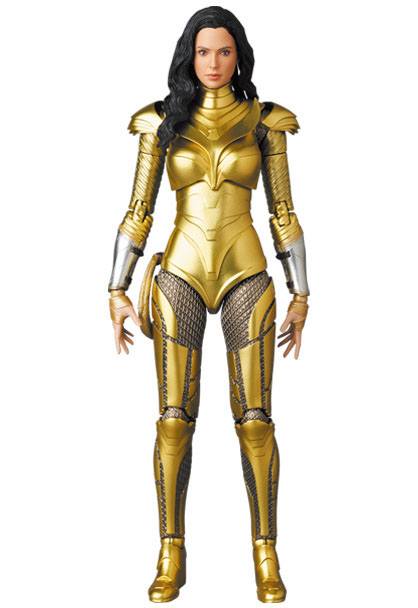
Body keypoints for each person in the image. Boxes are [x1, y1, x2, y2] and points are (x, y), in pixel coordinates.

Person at [108, 6, 309, 603]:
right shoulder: (161, 121)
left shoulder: (265, 121)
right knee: (174, 418)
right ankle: (170, 550)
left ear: (238, 55)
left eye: (224, 51)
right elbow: (139, 209)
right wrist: (116, 287)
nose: (214, 63)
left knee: (256, 420)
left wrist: (302, 292)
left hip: (246, 271)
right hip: (180, 272)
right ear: (189, 57)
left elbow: (283, 212)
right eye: (204, 52)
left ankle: (266, 552)